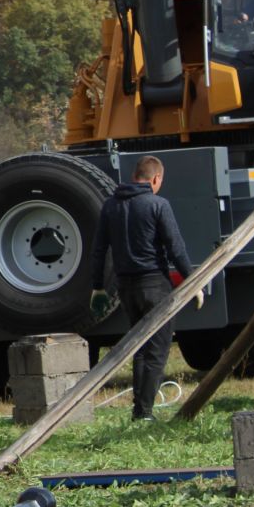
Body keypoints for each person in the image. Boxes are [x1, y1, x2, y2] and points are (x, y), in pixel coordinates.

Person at [90, 155, 194, 422]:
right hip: (154, 285)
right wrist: (193, 280)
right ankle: (144, 413)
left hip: (126, 289)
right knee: (157, 350)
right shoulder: (158, 204)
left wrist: (97, 288)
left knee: (140, 347)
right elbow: (176, 247)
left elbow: (99, 251)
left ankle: (140, 408)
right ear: (155, 179)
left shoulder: (110, 206)